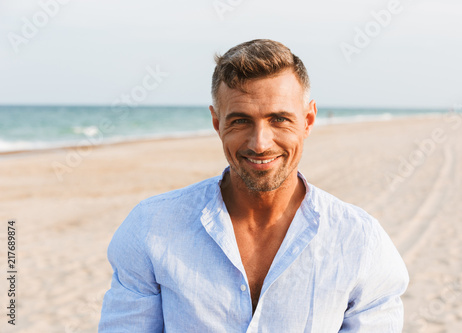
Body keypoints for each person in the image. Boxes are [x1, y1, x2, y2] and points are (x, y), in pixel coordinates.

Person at [99, 39, 409, 332]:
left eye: (279, 119)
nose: (260, 144)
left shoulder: (361, 242)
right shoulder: (151, 228)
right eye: (241, 121)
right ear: (217, 123)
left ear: (308, 120)